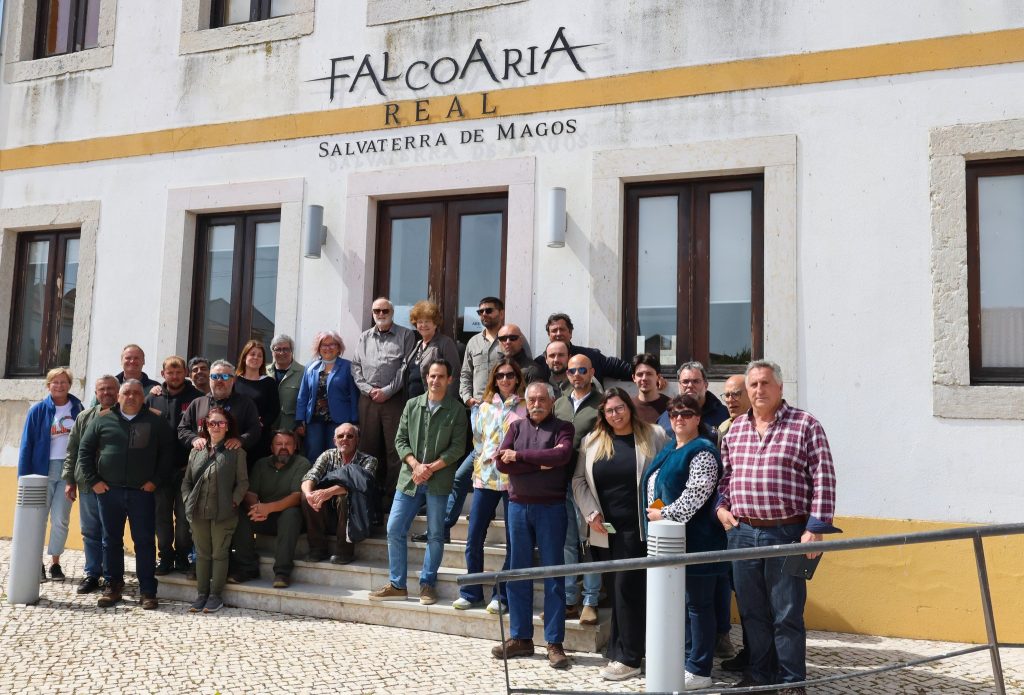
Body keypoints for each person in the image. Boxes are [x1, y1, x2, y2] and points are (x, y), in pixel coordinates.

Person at [717, 360, 838, 694]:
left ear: (780, 388)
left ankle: (790, 681)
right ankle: (760, 675)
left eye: (765, 383)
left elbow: (824, 480)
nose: (758, 390)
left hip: (788, 533)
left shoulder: (805, 425)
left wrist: (815, 528)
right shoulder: (736, 429)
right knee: (752, 612)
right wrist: (721, 507)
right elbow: (726, 477)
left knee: (786, 613)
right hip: (742, 533)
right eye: (752, 385)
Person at [573, 388, 669, 681]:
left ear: (629, 407)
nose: (615, 415)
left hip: (638, 529)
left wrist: (661, 509)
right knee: (616, 591)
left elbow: (667, 474)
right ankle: (619, 648)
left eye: (619, 408)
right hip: (605, 530)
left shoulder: (653, 435)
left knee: (629, 590)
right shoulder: (592, 441)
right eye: (609, 411)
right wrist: (591, 514)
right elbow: (578, 481)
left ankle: (629, 659)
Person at [642, 393, 728, 690]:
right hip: (668, 541)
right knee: (682, 606)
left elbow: (694, 497)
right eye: (675, 413)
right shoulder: (669, 448)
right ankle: (683, 661)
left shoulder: (702, 450)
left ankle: (699, 669)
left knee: (699, 606)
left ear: (698, 418)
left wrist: (662, 513)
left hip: (698, 542)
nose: (680, 418)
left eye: (687, 414)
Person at [491, 382, 574, 670]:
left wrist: (522, 457)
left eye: (542, 399)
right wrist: (539, 464)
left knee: (553, 574)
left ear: (552, 401)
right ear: (525, 403)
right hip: (517, 507)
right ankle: (521, 637)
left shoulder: (564, 428)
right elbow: (502, 463)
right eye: (532, 399)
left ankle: (554, 642)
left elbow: (560, 456)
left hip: (551, 508)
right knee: (518, 572)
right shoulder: (515, 428)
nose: (537, 403)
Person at [369, 359, 467, 605]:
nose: (435, 381)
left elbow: (457, 448)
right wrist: (415, 465)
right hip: (410, 479)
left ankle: (427, 584)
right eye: (432, 376)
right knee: (394, 528)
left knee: (435, 534)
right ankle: (397, 584)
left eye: (440, 376)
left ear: (449, 380)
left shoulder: (456, 410)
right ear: (426, 378)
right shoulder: (412, 405)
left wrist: (430, 468)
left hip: (438, 480)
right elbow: (400, 440)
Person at [76, 380, 175, 610]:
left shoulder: (155, 420)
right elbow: (84, 450)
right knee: (110, 540)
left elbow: (167, 453)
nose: (131, 397)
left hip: (143, 493)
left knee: (145, 542)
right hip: (109, 492)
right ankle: (113, 586)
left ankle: (148, 591)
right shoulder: (103, 418)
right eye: (126, 393)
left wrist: (155, 481)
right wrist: (94, 481)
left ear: (143, 397)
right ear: (119, 396)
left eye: (136, 393)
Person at [451, 359, 526, 613]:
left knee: (513, 541)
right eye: (500, 376)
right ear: (494, 379)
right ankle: (471, 591)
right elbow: (479, 442)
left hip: (512, 481)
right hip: (484, 479)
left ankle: (501, 595)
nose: (505, 379)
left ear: (517, 379)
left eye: (510, 375)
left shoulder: (526, 408)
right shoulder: (482, 408)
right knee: (474, 537)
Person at [352, 297, 416, 517]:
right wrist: (369, 390)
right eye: (376, 310)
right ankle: (369, 500)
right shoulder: (364, 337)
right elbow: (356, 367)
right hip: (368, 399)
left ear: (392, 311)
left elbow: (405, 367)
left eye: (384, 310)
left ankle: (393, 499)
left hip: (394, 399)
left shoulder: (406, 335)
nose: (380, 313)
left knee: (394, 450)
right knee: (368, 449)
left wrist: (387, 391)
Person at [181, 407, 249, 614]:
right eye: (212, 423)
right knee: (202, 554)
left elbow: (243, 483)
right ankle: (201, 594)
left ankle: (215, 596)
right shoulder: (196, 450)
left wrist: (234, 502)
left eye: (221, 423)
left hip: (224, 512)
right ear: (206, 426)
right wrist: (187, 500)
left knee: (219, 554)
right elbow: (187, 482)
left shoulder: (236, 452)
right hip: (198, 511)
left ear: (227, 427)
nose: (216, 427)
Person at [19, 367, 84, 581]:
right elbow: (27, 444)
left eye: (64, 382)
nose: (59, 385)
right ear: (48, 385)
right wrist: (24, 477)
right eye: (55, 382)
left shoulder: (78, 409)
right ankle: (35, 562)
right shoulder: (37, 410)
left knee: (60, 519)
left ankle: (55, 563)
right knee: (38, 518)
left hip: (67, 471)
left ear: (69, 385)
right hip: (41, 470)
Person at [552, 353, 603, 624]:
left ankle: (591, 601)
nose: (576, 375)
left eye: (582, 369)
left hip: (589, 483)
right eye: (572, 370)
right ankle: (571, 599)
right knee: (568, 543)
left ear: (592, 372)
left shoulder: (603, 404)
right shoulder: (559, 404)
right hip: (561, 482)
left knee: (593, 541)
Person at [145, 355, 204, 576]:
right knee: (161, 517)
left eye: (179, 372)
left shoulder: (197, 398)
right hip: (159, 471)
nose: (175, 376)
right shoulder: (153, 399)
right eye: (170, 372)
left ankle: (182, 556)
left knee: (183, 518)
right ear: (163, 375)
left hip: (186, 469)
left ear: (185, 374)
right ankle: (165, 557)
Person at [230, 430, 310, 587]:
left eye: (288, 444)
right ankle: (247, 567)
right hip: (264, 517)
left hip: (288, 519)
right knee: (237, 512)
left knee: (292, 514)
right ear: (272, 448)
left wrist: (269, 508)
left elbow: (296, 496)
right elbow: (251, 493)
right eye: (279, 444)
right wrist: (257, 509)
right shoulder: (261, 464)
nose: (284, 447)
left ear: (295, 447)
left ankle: (282, 572)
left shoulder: (302, 463)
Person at [62, 374, 119, 593]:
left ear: (118, 390)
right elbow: (72, 450)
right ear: (96, 393)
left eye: (110, 389)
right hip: (86, 484)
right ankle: (92, 573)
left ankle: (110, 575)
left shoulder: (125, 416)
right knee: (90, 531)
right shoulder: (84, 417)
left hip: (114, 485)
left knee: (110, 532)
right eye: (102, 389)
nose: (106, 393)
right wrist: (69, 480)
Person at [300, 423, 378, 565]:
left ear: (357, 440)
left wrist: (328, 492)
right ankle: (318, 548)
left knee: (344, 497)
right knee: (306, 496)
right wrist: (309, 494)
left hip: (355, 516)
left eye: (350, 436)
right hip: (327, 513)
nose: (345, 439)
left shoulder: (369, 460)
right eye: (340, 436)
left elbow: (361, 486)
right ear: (334, 440)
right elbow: (310, 476)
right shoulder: (327, 455)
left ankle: (344, 551)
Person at [295, 331, 359, 464]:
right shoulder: (310, 367)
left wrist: (354, 420)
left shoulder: (348, 367)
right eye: (324, 345)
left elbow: (354, 395)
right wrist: (299, 419)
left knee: (336, 455)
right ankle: (313, 483)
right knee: (314, 453)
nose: (328, 348)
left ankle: (333, 482)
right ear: (318, 348)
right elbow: (303, 395)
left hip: (339, 420)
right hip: (314, 420)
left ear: (339, 347)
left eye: (332, 344)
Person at [177, 360, 262, 455]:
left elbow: (255, 430)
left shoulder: (246, 404)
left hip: (232, 460)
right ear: (209, 379)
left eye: (224, 377)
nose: (219, 380)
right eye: (214, 377)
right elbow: (182, 429)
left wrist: (241, 440)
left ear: (233, 380)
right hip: (201, 459)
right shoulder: (197, 403)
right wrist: (194, 439)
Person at [460, 296, 531, 406]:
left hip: (507, 406)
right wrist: (467, 398)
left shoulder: (513, 337)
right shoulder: (473, 342)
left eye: (488, 310)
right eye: (480, 312)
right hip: (478, 406)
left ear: (501, 314)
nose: (484, 314)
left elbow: (526, 370)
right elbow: (466, 373)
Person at [532, 313, 632, 384]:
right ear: (549, 335)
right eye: (554, 330)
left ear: (570, 333)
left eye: (562, 329)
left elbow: (620, 368)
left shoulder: (591, 356)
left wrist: (642, 374)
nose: (558, 334)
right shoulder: (539, 364)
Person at [656, 361, 729, 444]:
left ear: (706, 385)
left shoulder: (723, 414)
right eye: (685, 382)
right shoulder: (666, 418)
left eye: (696, 381)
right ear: (679, 385)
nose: (690, 385)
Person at [234, 340, 281, 462]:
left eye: (259, 355)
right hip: (236, 434)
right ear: (244, 357)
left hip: (260, 435)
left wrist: (262, 423)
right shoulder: (234, 380)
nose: (256, 357)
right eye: (252, 354)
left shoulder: (269, 382)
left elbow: (274, 409)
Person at [405, 299, 461, 400]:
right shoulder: (418, 344)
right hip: (414, 403)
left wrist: (447, 404)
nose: (423, 325)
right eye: (420, 322)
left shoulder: (445, 343)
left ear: (435, 324)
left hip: (435, 403)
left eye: (427, 321)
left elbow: (454, 375)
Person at [267, 334, 305, 432]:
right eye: (277, 349)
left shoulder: (304, 373)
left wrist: (301, 425)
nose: (281, 352)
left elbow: (307, 401)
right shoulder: (263, 371)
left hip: (291, 428)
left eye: (286, 349)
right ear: (272, 352)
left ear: (292, 351)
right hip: (267, 427)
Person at [630, 353, 670, 424]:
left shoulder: (670, 406)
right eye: (640, 374)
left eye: (649, 374)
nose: (644, 378)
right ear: (634, 378)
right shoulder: (628, 406)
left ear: (658, 377)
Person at [718, 374, 750, 440]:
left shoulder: (765, 425)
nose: (730, 400)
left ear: (750, 394)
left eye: (736, 394)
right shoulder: (724, 429)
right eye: (727, 395)